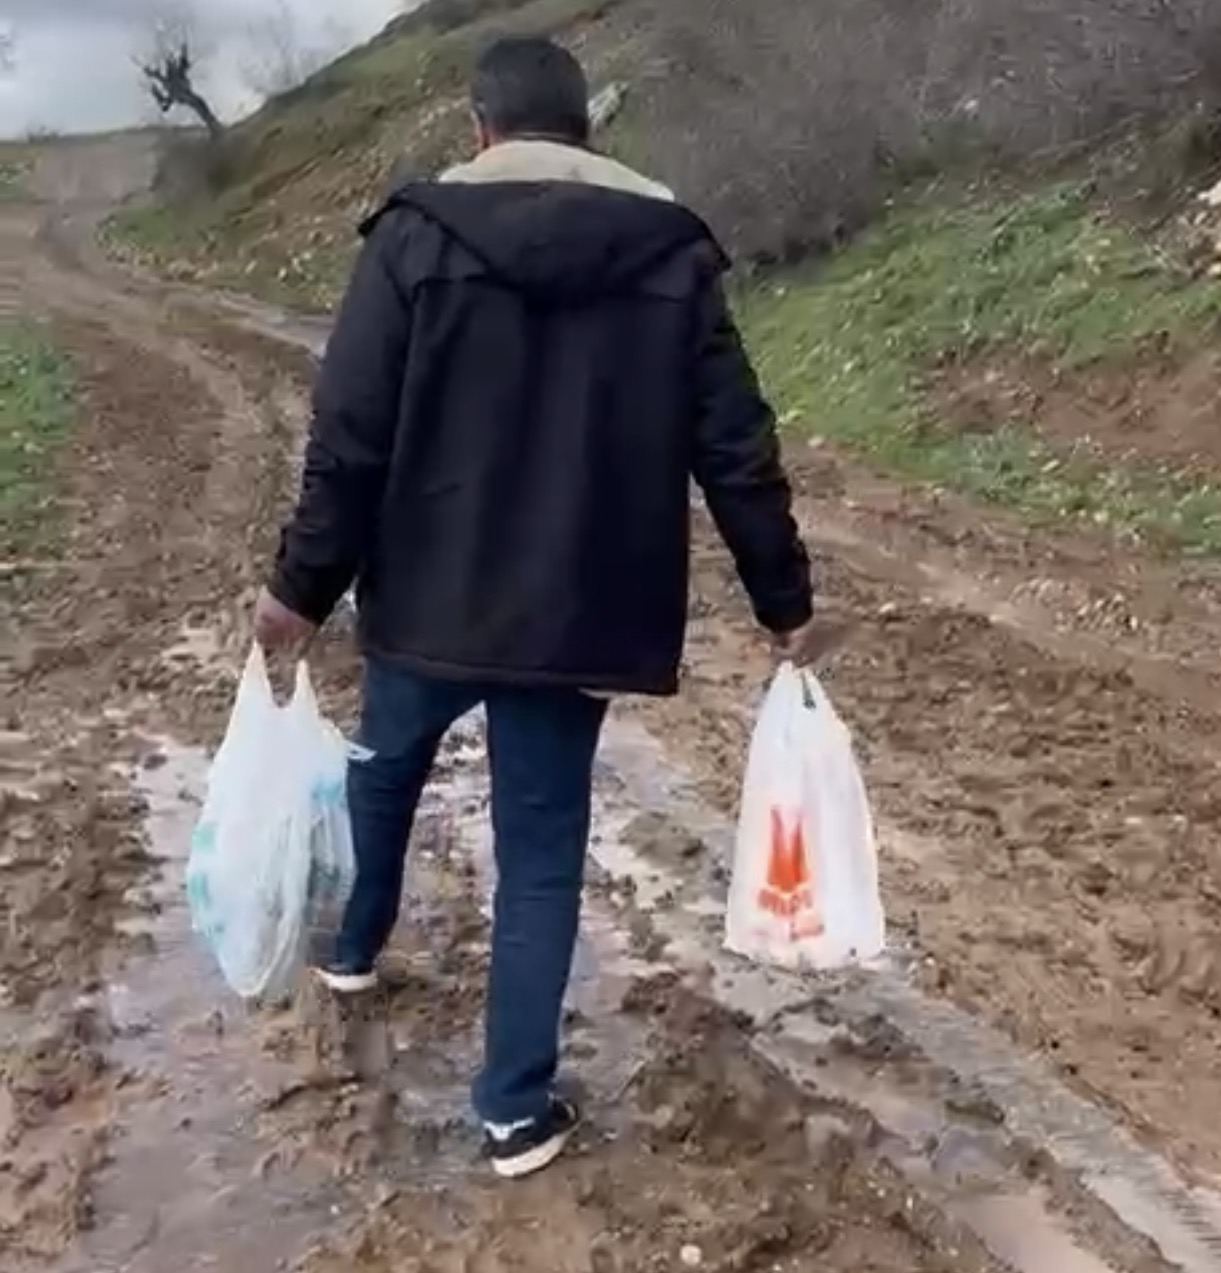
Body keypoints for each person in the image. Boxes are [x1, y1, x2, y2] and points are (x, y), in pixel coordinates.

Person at [254, 36, 818, 1179]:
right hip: (577, 609)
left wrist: (299, 587)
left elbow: (348, 435)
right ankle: (513, 1108)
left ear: (479, 129)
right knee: (542, 851)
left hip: (427, 591)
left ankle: (351, 946)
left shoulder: (414, 236)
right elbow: (735, 445)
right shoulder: (670, 250)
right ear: (588, 130)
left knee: (382, 773)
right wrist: (783, 598)